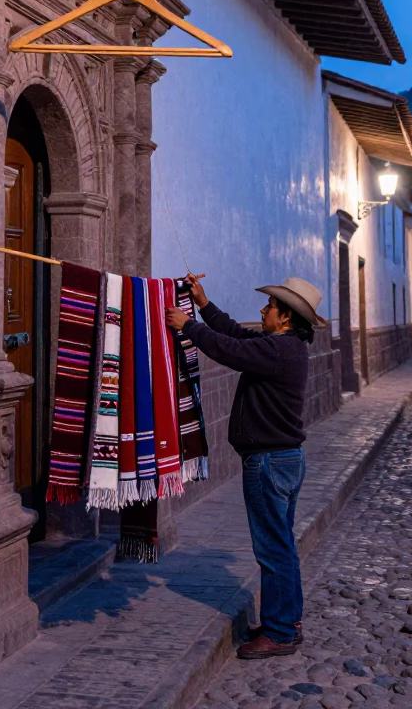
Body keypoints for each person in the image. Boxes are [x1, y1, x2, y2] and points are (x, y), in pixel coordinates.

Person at [166, 274, 326, 660]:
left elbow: (229, 350)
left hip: (270, 462)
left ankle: (280, 632)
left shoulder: (278, 351)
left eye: (270, 307)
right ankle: (287, 621)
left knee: (273, 550)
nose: (263, 310)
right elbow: (236, 335)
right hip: (282, 460)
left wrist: (188, 326)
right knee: (282, 546)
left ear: (285, 318)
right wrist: (203, 304)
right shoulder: (282, 346)